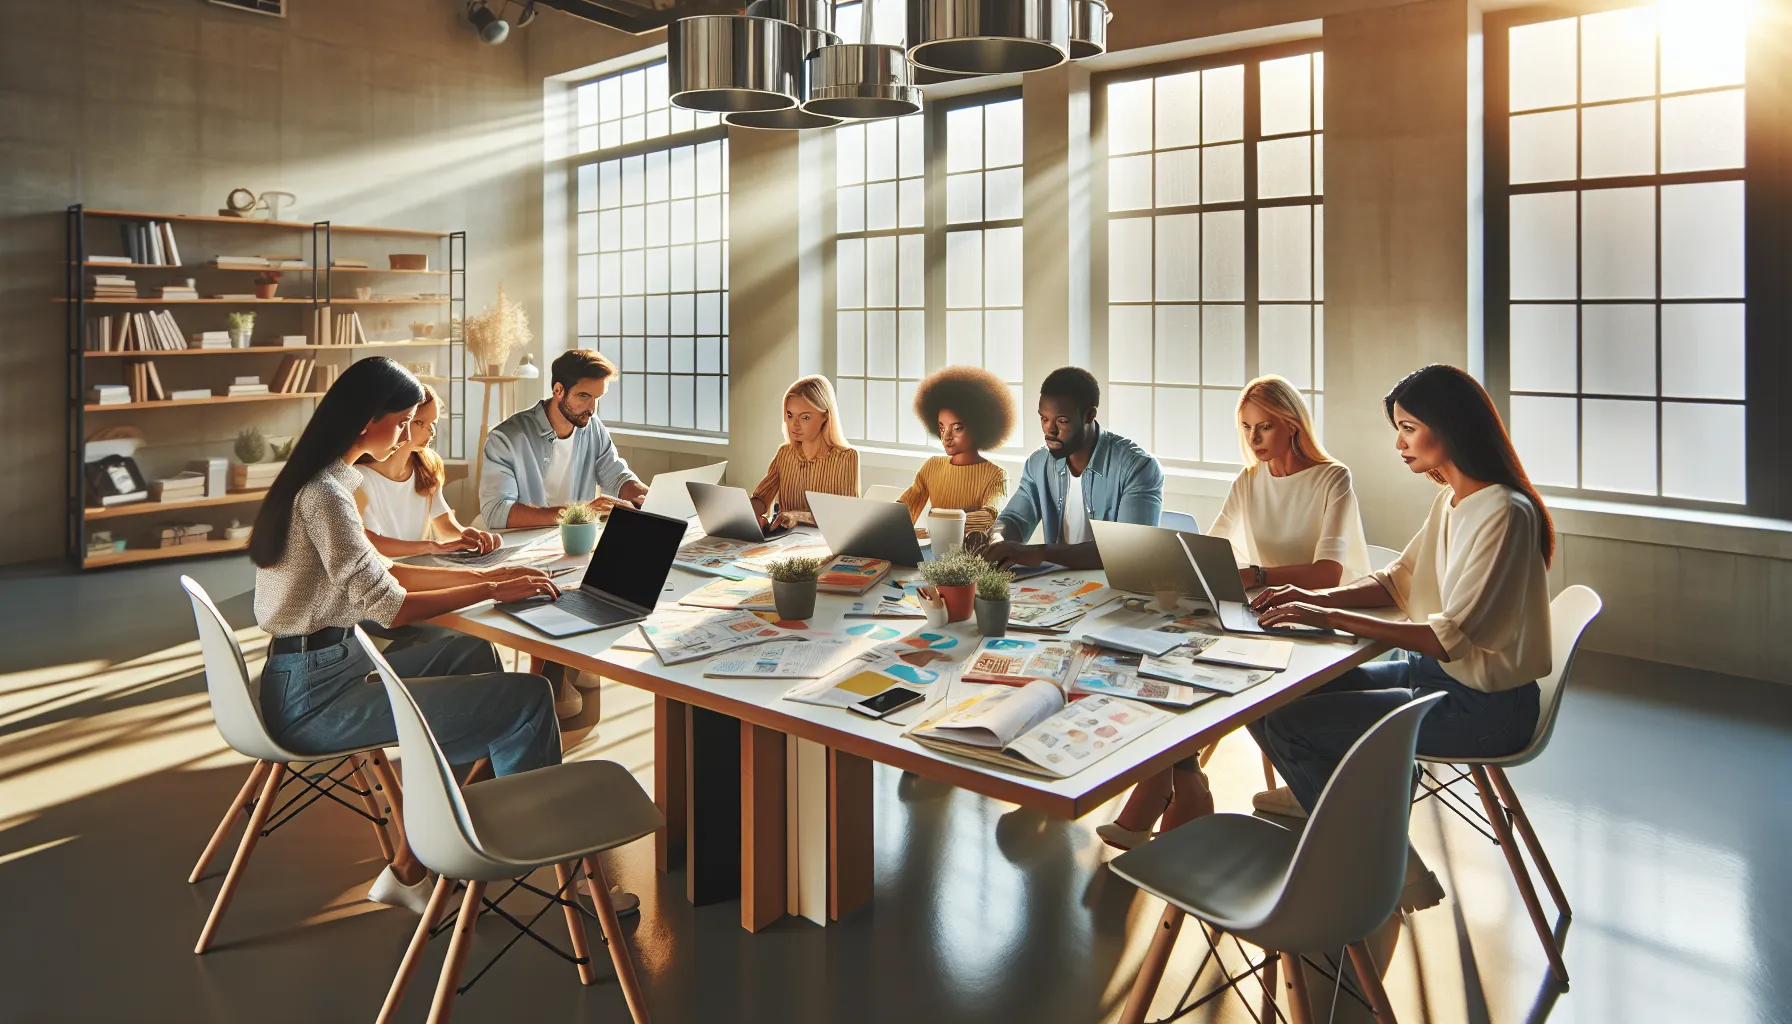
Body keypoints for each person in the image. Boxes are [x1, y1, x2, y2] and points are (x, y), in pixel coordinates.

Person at [249, 357, 581, 916]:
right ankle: (546, 867)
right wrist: (490, 592)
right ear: (366, 421)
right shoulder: (327, 495)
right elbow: (391, 606)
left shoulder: (323, 481)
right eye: (402, 421)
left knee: (469, 649)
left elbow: (386, 570)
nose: (409, 433)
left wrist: (487, 576)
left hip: (322, 667)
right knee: (527, 700)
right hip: (316, 696)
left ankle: (428, 849)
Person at [1248, 364, 1554, 913]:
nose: (1398, 442)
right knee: (1269, 696)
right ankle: (1331, 807)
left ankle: (1388, 862)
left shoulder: (1505, 513)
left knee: (1293, 724)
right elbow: (1396, 579)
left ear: (1451, 426)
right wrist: (1312, 600)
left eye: (1409, 427)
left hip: (1485, 707)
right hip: (1443, 682)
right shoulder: (1454, 500)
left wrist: (1326, 617)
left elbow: (1445, 637)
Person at [1096, 376, 1369, 850]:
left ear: (1292, 426)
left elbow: (1329, 572)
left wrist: (1258, 574)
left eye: (1264, 427)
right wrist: (1178, 567)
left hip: (1320, 623)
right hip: (1266, 615)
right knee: (1169, 651)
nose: (1254, 439)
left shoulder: (1333, 478)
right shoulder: (1249, 480)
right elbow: (1214, 545)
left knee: (1201, 665)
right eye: (1246, 428)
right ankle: (1181, 779)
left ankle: (1170, 784)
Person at [985, 366, 1164, 571]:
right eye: (1044, 418)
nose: (1050, 430)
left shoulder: (1138, 467)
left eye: (1062, 421)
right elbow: (1015, 519)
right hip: (1057, 588)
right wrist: (998, 539)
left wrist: (1040, 552)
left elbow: (1129, 551)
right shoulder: (1038, 464)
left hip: (1113, 587)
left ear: (1089, 415)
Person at [480, 349, 647, 529]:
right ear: (558, 390)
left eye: (597, 398)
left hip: (578, 539)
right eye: (584, 396)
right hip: (524, 543)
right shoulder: (505, 438)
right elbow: (497, 512)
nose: (591, 409)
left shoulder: (593, 427)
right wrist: (580, 512)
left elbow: (617, 477)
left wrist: (650, 498)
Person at [355, 383, 499, 558]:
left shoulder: (427, 465)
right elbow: (369, 543)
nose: (431, 432)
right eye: (420, 422)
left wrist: (469, 536)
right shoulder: (358, 477)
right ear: (401, 421)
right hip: (387, 575)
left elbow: (444, 524)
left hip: (423, 568)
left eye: (433, 423)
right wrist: (429, 546)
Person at [897, 366, 1015, 538]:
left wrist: (937, 526)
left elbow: (989, 516)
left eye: (957, 428)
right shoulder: (932, 465)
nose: (947, 437)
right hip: (936, 550)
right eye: (942, 427)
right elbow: (906, 506)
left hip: (973, 556)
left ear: (978, 427)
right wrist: (886, 521)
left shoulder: (997, 476)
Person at [750, 375, 860, 529]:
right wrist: (746, 514)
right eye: (790, 415)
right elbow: (762, 498)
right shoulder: (785, 453)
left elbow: (846, 514)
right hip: (785, 542)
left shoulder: (846, 457)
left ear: (825, 416)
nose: (794, 425)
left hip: (825, 542)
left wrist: (798, 516)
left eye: (805, 417)